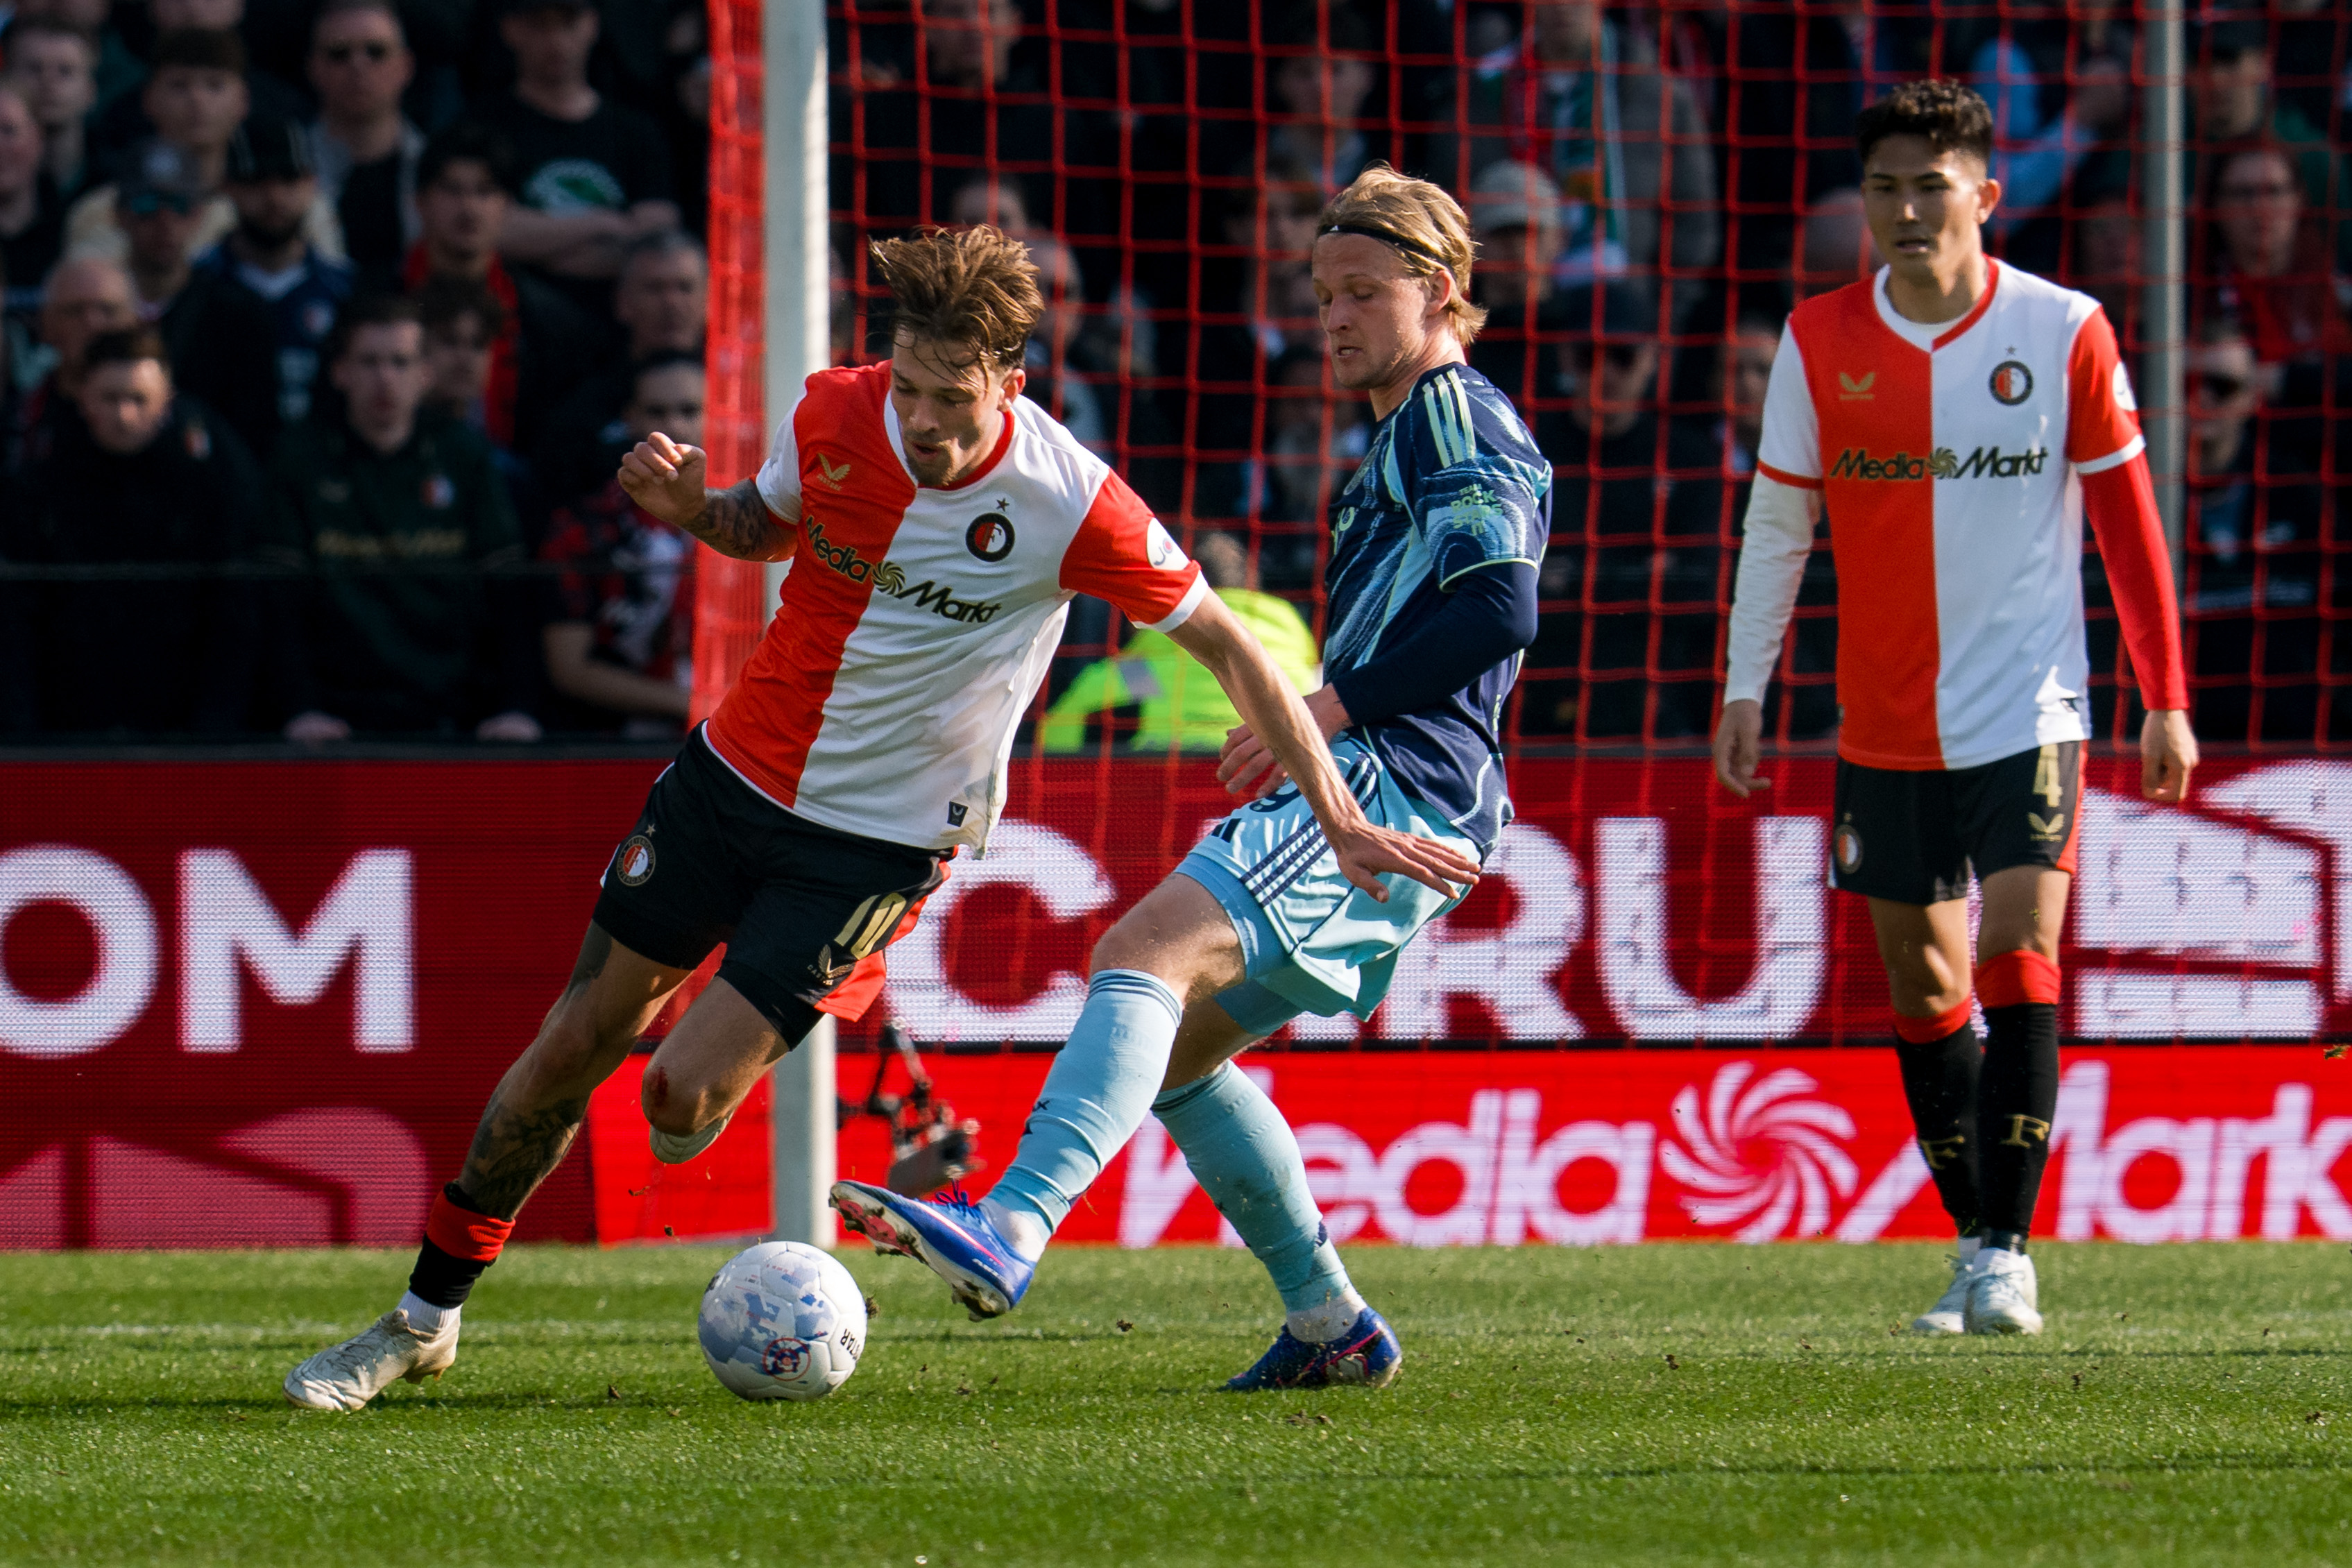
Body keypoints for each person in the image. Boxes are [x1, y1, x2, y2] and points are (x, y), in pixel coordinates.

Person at [275, 222, 1445, 1409]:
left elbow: (1232, 648)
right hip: (729, 778)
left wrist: (1337, 813)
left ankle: (836, 985)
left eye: (953, 399)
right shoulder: (836, 410)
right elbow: (763, 526)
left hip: (873, 848)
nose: (923, 423)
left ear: (1011, 385)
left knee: (676, 1106)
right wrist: (697, 507)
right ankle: (423, 1318)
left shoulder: (1072, 502)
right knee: (572, 1043)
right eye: (909, 388)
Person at [830, 169, 1535, 1392]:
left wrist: (1325, 708)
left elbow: (1502, 605)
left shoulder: (1453, 416)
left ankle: (1009, 1228)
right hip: (1405, 778)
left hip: (1401, 778)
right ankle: (1332, 1323)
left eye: (1365, 293)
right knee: (1179, 1056)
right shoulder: (1407, 427)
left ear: (1443, 293)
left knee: (1142, 955)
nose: (1336, 318)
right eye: (1323, 295)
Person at [1713, 80, 2195, 1336]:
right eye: (1885, 189)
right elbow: (1780, 522)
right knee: (1924, 992)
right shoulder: (1819, 339)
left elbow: (2130, 532)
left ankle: (2003, 1250)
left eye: (1932, 186)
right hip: (1880, 725)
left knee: (2017, 954)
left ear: (1984, 195)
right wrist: (1745, 685)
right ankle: (1976, 1241)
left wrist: (2165, 700)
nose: (1908, 210)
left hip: (2032, 710)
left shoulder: (2065, 327)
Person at [258, 293, 541, 742]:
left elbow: (508, 590)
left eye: (401, 362)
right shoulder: (299, 461)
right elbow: (278, 602)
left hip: (453, 712)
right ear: (340, 372)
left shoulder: (465, 457)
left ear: (425, 374)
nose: (385, 378)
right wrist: (300, 708)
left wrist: (518, 708)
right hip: (334, 719)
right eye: (369, 362)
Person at [4, 325, 263, 733]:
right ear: (82, 396)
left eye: (138, 400)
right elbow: (17, 624)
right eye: (110, 398)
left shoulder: (208, 495)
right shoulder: (37, 494)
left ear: (167, 402)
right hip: (66, 730)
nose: (125, 416)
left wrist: (215, 731)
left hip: (185, 730)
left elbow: (231, 620)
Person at [64, 28, 343, 269]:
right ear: (148, 99)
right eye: (179, 85)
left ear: (243, 100)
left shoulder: (299, 209)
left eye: (214, 85)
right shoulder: (100, 211)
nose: (197, 100)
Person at [401, 121, 597, 454]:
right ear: (420, 202)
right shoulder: (377, 296)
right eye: (452, 190)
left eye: (484, 191)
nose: (469, 208)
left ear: (506, 205)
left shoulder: (549, 321)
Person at [536, 352, 702, 734]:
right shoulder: (581, 528)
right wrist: (693, 705)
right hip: (608, 746)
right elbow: (569, 668)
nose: (674, 427)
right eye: (657, 413)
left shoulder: (755, 521)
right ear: (630, 420)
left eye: (690, 411)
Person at [477, 0, 678, 313]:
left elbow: (656, 236)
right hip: (519, 320)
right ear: (510, 30)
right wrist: (602, 224)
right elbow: (491, 229)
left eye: (568, 23)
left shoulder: (636, 132)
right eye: (540, 25)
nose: (556, 41)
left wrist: (540, 244)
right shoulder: (484, 129)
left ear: (592, 25)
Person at [1041, 531, 1320, 754]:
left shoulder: (1140, 672)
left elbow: (1058, 730)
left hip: (1164, 793)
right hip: (1277, 786)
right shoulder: (1290, 640)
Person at [116, 139, 280, 460]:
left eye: (179, 205)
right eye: (147, 204)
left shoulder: (241, 315)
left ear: (198, 215)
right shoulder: (95, 309)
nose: (165, 222)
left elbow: (256, 435)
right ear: (120, 216)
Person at [194, 119, 357, 430]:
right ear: (229, 188)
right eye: (257, 181)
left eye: (289, 179)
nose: (275, 197)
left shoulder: (347, 291)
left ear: (312, 184)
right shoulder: (196, 290)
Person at [528, 229, 706, 505]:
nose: (671, 302)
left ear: (710, 299)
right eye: (655, 288)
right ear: (623, 302)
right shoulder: (579, 408)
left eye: (684, 287)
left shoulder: (748, 396)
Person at [305, 0, 424, 288]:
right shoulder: (287, 169)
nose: (358, 66)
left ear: (405, 66)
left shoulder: (438, 168)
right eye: (339, 54)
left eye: (376, 52)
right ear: (314, 69)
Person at [5, 19, 99, 202]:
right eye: (34, 68)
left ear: (90, 91)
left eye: (65, 71)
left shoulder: (117, 179)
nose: (48, 82)